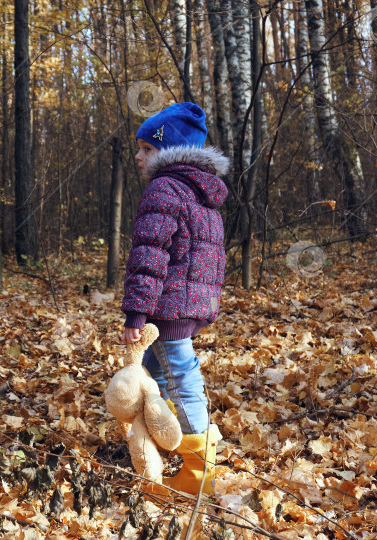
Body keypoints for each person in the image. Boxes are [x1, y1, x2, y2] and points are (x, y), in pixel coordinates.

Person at [120, 102, 228, 496]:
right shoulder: (201, 192)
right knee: (152, 373)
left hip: (168, 307)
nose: (138, 155)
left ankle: (198, 469)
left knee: (180, 378)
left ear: (167, 153)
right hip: (191, 303)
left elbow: (150, 255)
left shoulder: (164, 189)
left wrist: (137, 312)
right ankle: (153, 444)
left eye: (147, 148)